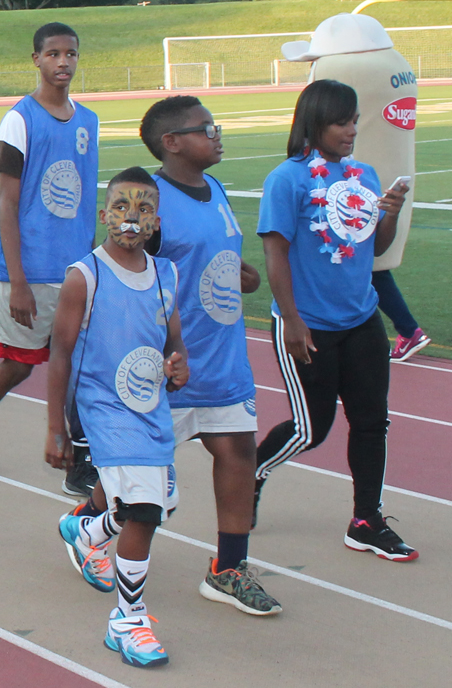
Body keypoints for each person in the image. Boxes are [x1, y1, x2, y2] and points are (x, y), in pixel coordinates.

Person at [67, 95, 282, 617]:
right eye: (206, 127)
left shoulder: (215, 188)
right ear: (172, 142)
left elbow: (209, 254)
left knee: (237, 454)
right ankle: (86, 522)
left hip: (224, 357)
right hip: (169, 366)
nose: (217, 133)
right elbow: (125, 273)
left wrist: (241, 272)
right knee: (136, 475)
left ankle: (228, 569)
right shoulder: (147, 200)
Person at [253, 80, 418, 562]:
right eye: (341, 122)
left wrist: (391, 211)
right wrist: (292, 320)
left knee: (371, 422)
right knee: (312, 429)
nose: (351, 130)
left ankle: (366, 519)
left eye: (354, 121)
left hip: (362, 319)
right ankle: (253, 471)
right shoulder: (288, 179)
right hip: (310, 324)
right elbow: (275, 253)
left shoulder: (363, 175)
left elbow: (376, 249)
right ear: (315, 122)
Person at [46, 167, 189, 668]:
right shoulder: (84, 275)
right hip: (103, 409)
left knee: (158, 506)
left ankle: (89, 531)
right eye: (122, 208)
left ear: (155, 221)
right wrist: (56, 428)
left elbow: (172, 344)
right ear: (105, 214)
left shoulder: (166, 275)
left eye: (144, 209)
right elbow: (60, 353)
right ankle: (127, 621)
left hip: (150, 406)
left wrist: (177, 368)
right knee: (146, 511)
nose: (132, 218)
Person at [0, 22, 99, 496]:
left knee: (82, 364)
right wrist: (16, 279)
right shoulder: (20, 119)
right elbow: (9, 204)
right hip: (27, 268)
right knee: (20, 363)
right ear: (35, 59)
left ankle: (80, 459)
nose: (63, 62)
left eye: (70, 54)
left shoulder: (89, 121)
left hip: (75, 268)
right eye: (53, 54)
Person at [281, 13, 430, 362]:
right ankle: (406, 328)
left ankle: (407, 328)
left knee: (359, 259)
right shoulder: (397, 63)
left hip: (345, 187)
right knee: (369, 262)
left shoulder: (339, 74)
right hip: (381, 178)